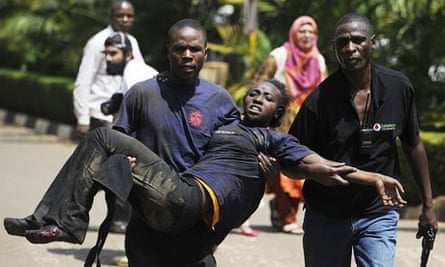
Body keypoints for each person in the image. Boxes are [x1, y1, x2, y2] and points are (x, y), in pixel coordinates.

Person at [3, 80, 406, 263]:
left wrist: (373, 178)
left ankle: (67, 222)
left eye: (267, 98)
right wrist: (133, 166)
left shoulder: (273, 142)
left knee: (103, 137)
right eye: (253, 92)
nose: (256, 98)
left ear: (277, 113)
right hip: (172, 202)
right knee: (107, 147)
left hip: (192, 204)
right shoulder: (222, 124)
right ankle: (62, 220)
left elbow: (322, 167)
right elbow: (175, 134)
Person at [288, 13, 439, 267]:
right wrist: (316, 172)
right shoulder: (319, 101)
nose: (350, 48)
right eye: (342, 43)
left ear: (373, 42)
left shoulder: (398, 88)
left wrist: (427, 206)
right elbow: (290, 159)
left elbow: (413, 144)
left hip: (378, 214)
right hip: (327, 215)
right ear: (335, 49)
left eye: (357, 40)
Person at [72, 0, 144, 234]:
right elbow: (83, 80)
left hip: (121, 116)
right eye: (120, 15)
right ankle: (73, 216)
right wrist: (83, 117)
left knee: (121, 168)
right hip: (98, 115)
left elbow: (138, 76)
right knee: (91, 172)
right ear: (111, 16)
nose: (124, 19)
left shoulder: (131, 42)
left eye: (129, 16)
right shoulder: (96, 43)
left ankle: (119, 219)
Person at [255, 15, 328, 234]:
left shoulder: (319, 59)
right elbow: (260, 81)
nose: (307, 36)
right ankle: (285, 215)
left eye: (311, 32)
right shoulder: (279, 55)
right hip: (280, 122)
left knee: (302, 167)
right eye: (302, 31)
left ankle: (285, 214)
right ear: (293, 33)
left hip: (307, 121)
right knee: (282, 171)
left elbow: (324, 91)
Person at [101, 31, 158, 118]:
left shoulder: (133, 74)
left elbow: (137, 115)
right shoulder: (133, 69)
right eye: (106, 53)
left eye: (113, 53)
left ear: (128, 55)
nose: (108, 58)